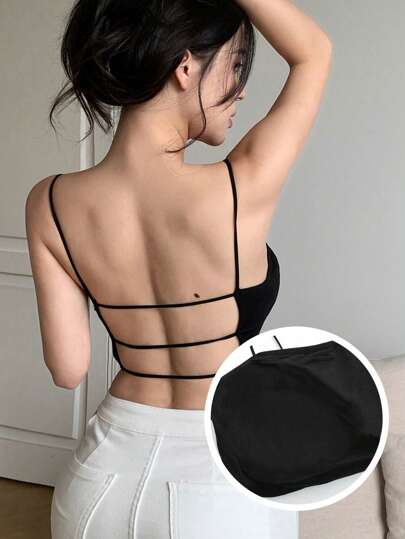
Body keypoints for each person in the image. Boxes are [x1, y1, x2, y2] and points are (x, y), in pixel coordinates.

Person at [25, 0, 332, 536]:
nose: (241, 90)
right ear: (186, 67)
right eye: (236, 65)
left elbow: (69, 369)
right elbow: (314, 52)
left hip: (100, 477)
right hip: (221, 482)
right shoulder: (238, 187)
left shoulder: (49, 202)